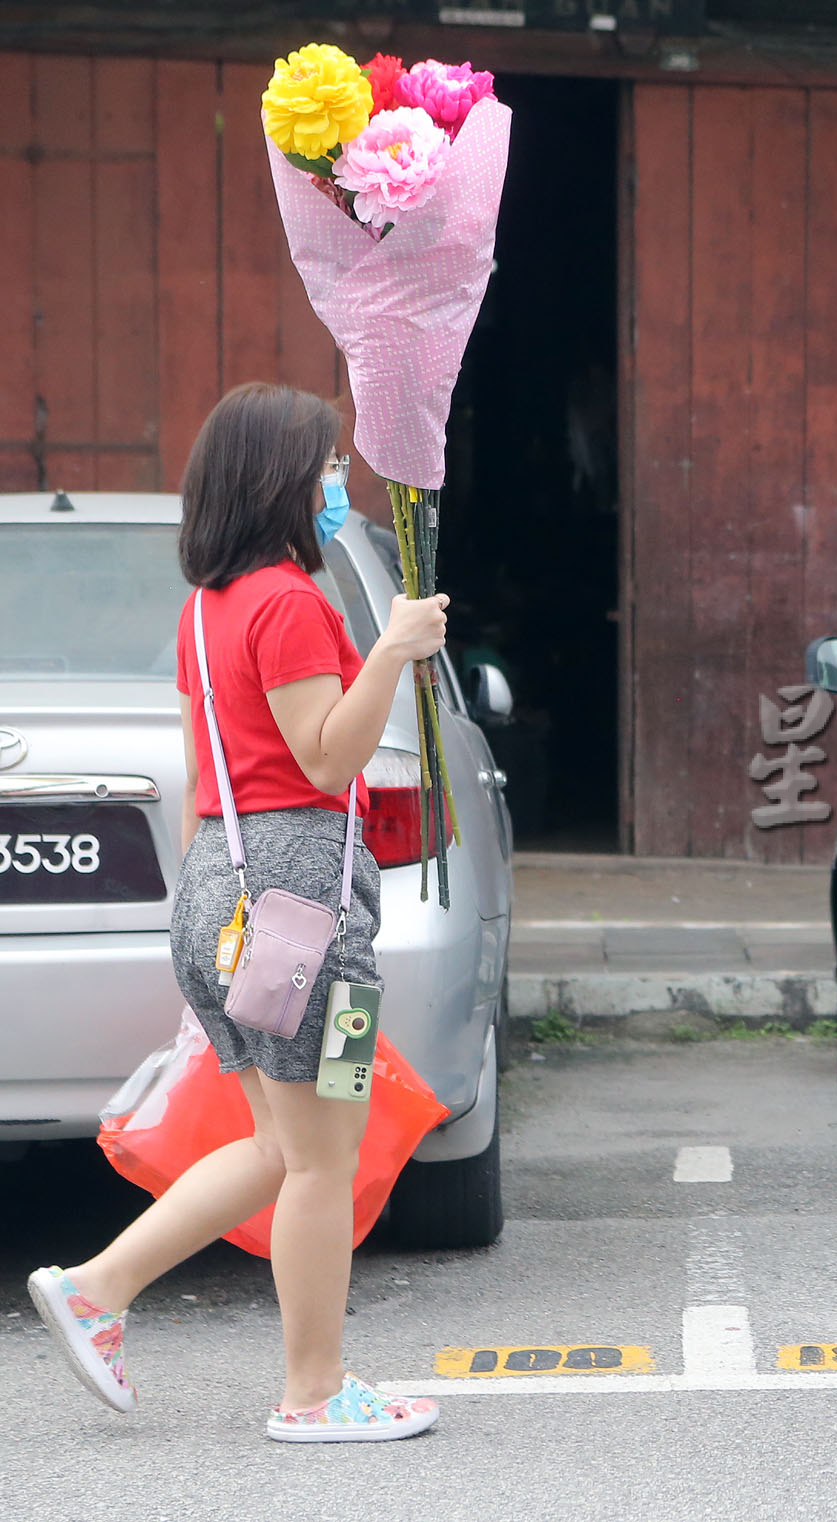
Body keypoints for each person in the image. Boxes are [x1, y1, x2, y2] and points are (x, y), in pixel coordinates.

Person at [27, 383, 451, 1441]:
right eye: (327, 465)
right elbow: (327, 757)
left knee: (281, 1145)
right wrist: (393, 649)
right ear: (281, 480)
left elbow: (204, 776)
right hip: (305, 916)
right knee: (321, 1158)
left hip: (227, 900)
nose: (338, 482)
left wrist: (219, 941)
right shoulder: (289, 603)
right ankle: (315, 1393)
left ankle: (96, 1288)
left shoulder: (206, 608)